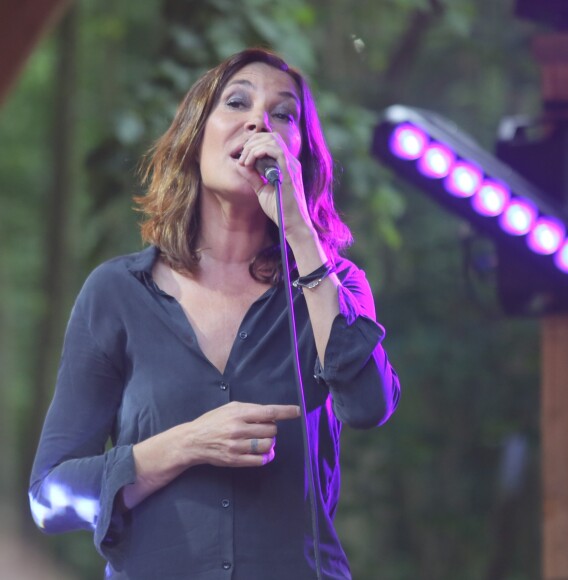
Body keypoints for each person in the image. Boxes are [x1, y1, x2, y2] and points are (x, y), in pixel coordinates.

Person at [29, 47, 400, 580]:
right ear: (194, 138)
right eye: (237, 102)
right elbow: (50, 501)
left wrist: (301, 233)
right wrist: (185, 444)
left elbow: (368, 406)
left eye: (284, 113)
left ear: (300, 156)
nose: (259, 121)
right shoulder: (117, 293)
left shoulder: (335, 287)